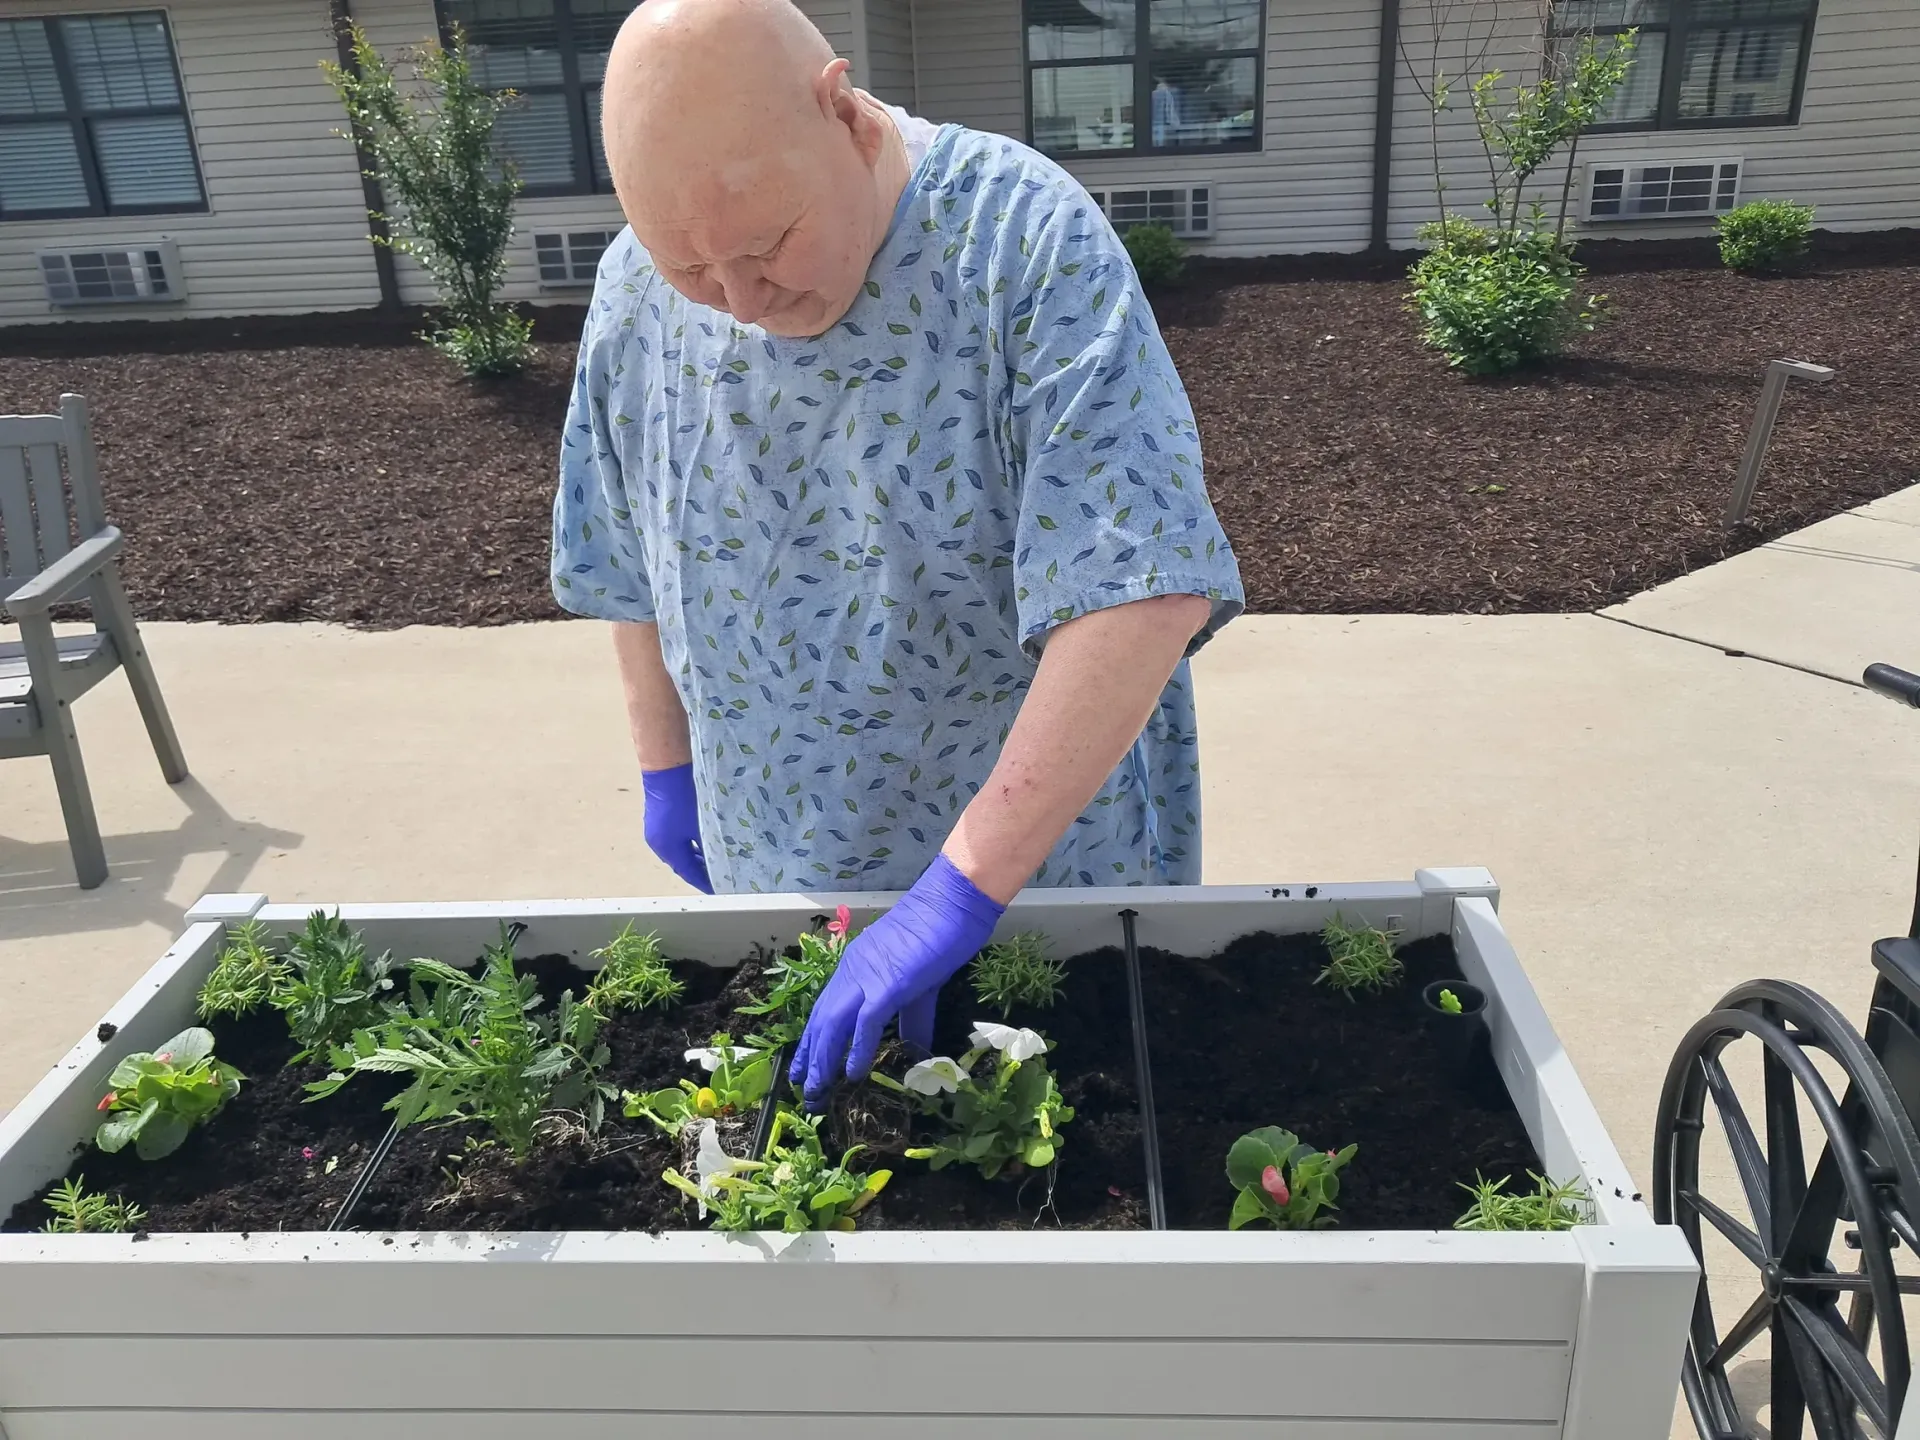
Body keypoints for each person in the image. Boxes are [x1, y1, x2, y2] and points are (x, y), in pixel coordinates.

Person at [552, 0, 1244, 1105]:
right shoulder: (638, 283)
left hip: (1038, 883)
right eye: (692, 267)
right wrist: (664, 766)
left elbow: (1139, 588)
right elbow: (620, 538)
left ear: (847, 116)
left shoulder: (1022, 240)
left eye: (767, 246)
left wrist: (957, 895)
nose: (737, 300)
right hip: (779, 862)